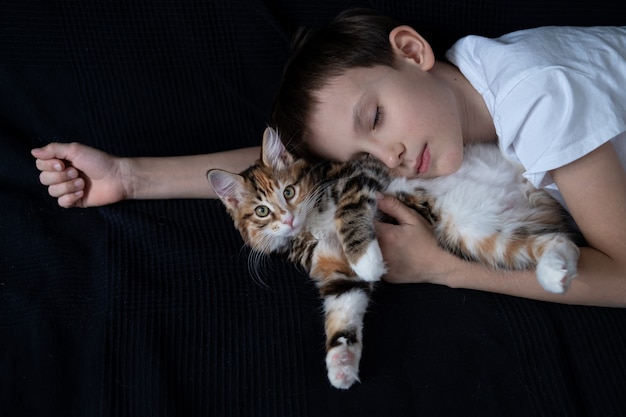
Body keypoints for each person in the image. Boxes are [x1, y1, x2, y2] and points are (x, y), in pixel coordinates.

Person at [32, 9, 626, 307]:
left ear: (411, 50)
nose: (388, 157)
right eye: (365, 154)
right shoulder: (454, 91)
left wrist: (446, 270)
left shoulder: (541, 97)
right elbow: (295, 176)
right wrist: (131, 179)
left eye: (373, 119)